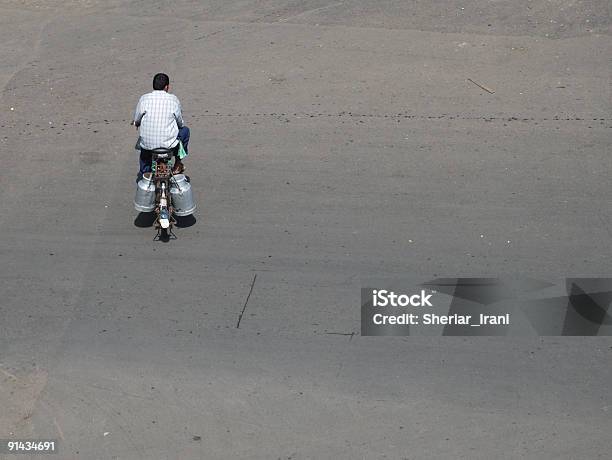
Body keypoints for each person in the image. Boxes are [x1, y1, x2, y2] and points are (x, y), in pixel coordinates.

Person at [133, 73, 190, 177]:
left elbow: (137, 119)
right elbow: (180, 123)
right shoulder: (173, 99)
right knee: (185, 131)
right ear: (167, 87)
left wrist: (137, 123)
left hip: (148, 146)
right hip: (170, 146)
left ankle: (145, 171)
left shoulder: (144, 99)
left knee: (144, 153)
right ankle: (178, 163)